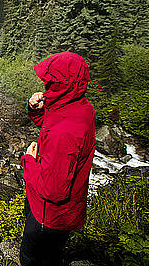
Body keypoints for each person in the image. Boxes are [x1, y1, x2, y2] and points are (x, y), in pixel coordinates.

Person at [20, 52, 96, 266]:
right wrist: (36, 110)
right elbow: (51, 125)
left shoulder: (64, 131)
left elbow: (53, 189)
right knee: (52, 257)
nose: (46, 86)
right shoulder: (81, 108)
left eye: (51, 82)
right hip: (66, 213)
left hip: (48, 215)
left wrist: (28, 161)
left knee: (30, 259)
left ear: (63, 86)